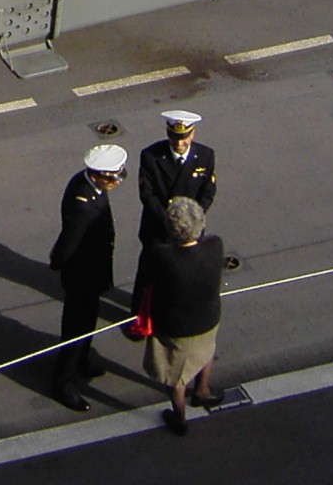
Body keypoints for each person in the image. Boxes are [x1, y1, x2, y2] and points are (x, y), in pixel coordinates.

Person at [48, 142, 126, 410]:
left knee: (88, 320)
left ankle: (82, 359)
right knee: (75, 328)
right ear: (97, 175)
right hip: (82, 275)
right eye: (111, 177)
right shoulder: (83, 204)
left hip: (93, 271)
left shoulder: (92, 188)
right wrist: (57, 263)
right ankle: (64, 382)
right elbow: (68, 243)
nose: (115, 182)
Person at [136, 197, 224, 435]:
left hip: (177, 328)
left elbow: (148, 282)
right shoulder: (215, 246)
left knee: (175, 377)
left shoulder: (162, 256)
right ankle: (202, 390)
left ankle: (180, 417)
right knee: (206, 351)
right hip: (208, 318)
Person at [136, 109, 216, 246]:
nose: (179, 144)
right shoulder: (151, 156)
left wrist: (191, 220)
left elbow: (208, 192)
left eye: (183, 138)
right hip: (159, 228)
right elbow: (147, 194)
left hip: (190, 230)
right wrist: (171, 221)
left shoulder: (205, 156)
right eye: (174, 137)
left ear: (192, 134)